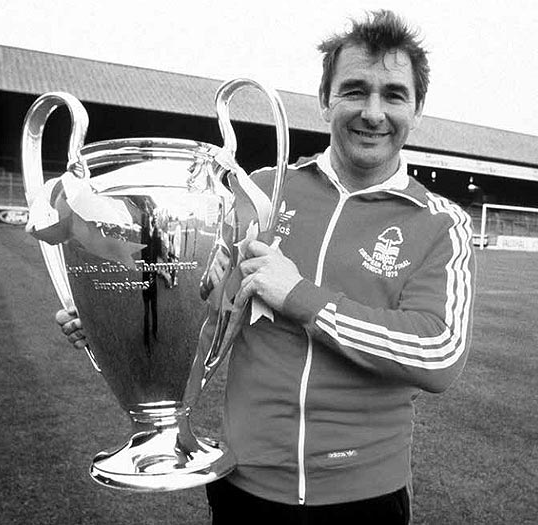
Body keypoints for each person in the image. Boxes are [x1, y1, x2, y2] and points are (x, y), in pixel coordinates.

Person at [57, 10, 475, 524]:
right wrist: (115, 318)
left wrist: (298, 296)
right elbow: (206, 308)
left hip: (366, 497)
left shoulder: (442, 223)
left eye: (393, 95)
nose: (373, 112)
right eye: (354, 90)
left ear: (417, 109)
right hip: (245, 486)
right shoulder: (261, 191)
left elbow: (438, 352)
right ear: (325, 99)